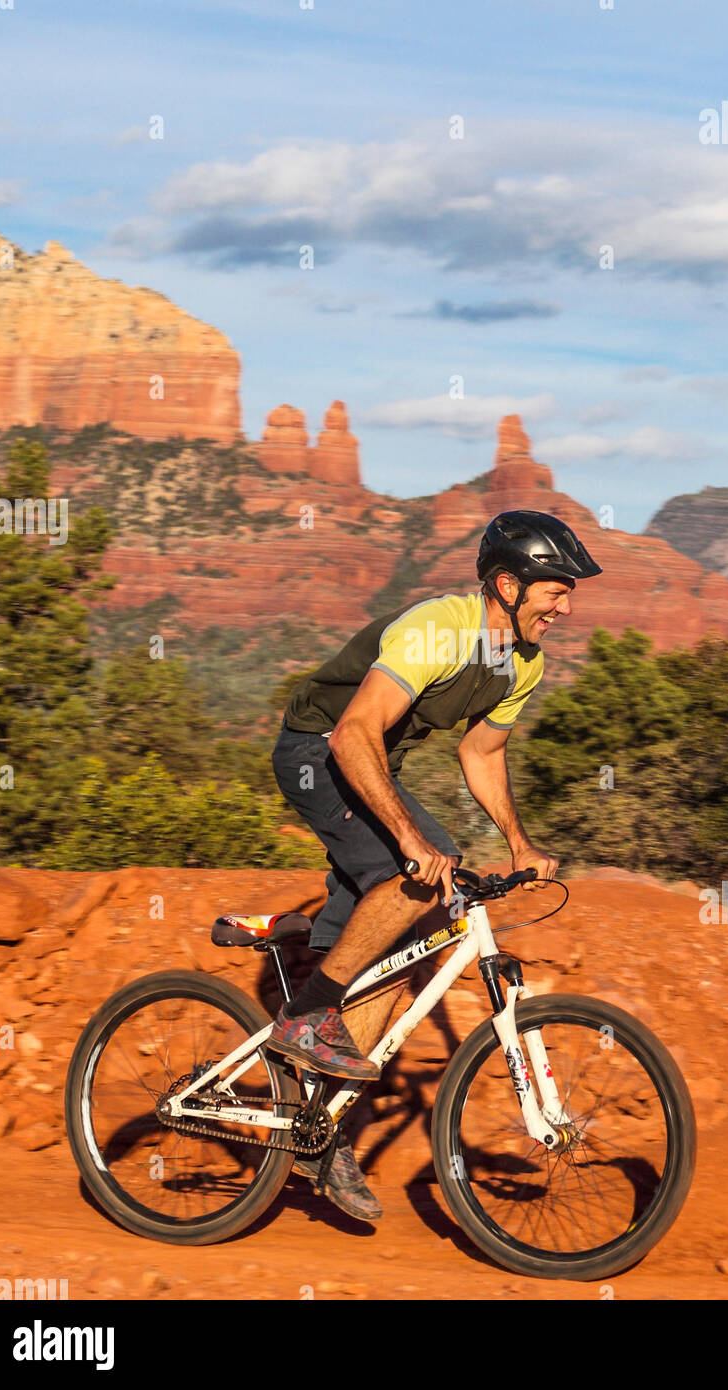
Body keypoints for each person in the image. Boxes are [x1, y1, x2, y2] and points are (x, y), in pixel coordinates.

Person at [268, 509, 602, 1220]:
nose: (565, 608)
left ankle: (316, 1134)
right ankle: (307, 1015)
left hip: (370, 760)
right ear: (506, 585)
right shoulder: (438, 630)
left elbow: (481, 754)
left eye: (568, 593)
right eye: (555, 591)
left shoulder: (522, 662)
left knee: (404, 949)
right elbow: (354, 731)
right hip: (319, 752)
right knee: (417, 873)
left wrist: (518, 843)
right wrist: (411, 844)